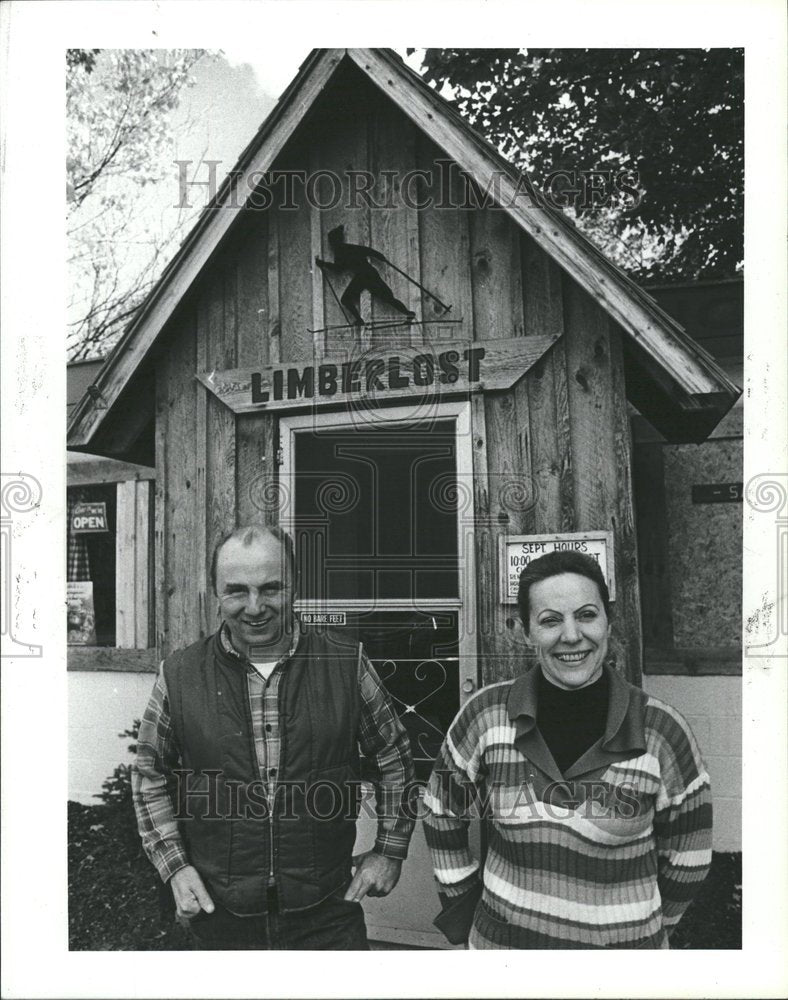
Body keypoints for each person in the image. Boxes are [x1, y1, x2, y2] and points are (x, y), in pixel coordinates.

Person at [132, 524, 416, 950]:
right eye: (236, 591)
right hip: (220, 917)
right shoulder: (179, 674)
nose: (254, 607)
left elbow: (393, 757)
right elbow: (150, 775)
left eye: (270, 588)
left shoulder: (345, 663)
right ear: (215, 592)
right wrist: (175, 867)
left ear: (294, 587)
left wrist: (389, 851)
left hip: (326, 915)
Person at [423, 550, 712, 949]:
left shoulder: (661, 731)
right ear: (526, 632)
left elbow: (688, 855)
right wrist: (463, 902)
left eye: (587, 615)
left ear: (610, 622)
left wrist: (643, 931)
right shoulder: (487, 715)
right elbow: (440, 806)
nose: (572, 635)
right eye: (550, 621)